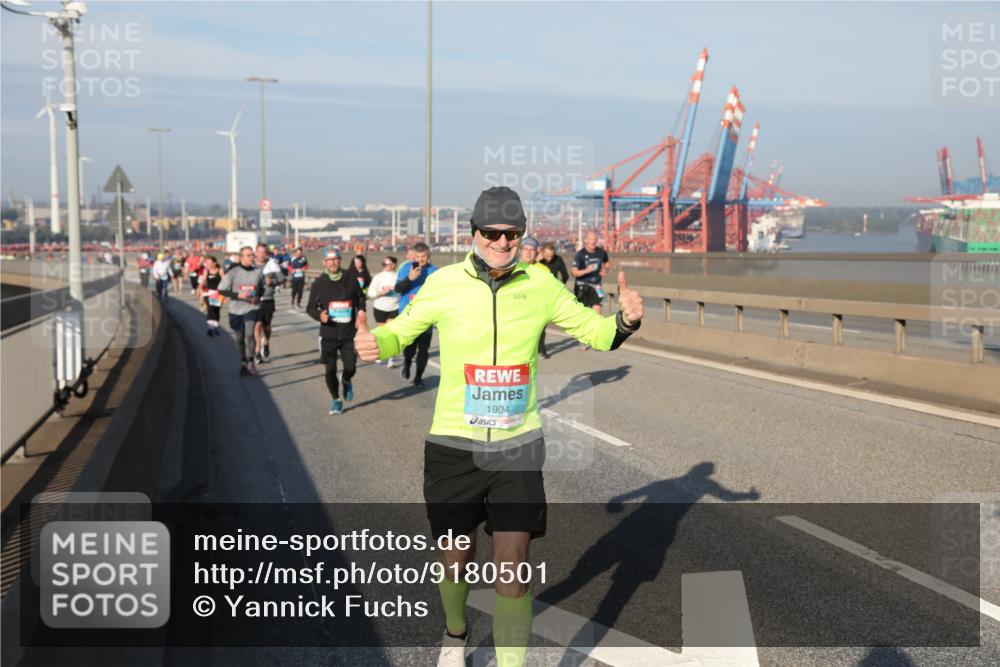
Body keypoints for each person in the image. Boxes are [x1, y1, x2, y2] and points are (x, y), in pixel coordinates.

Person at [355, 186, 644, 667]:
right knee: (455, 559)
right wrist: (376, 343)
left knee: (512, 569)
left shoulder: (541, 285)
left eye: (512, 234)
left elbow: (596, 333)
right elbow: (401, 331)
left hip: (517, 446)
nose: (502, 242)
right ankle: (455, 632)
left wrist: (626, 322)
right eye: (492, 232)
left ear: (522, 236)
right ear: (475, 233)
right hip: (452, 445)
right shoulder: (444, 283)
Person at [306, 248, 367, 415]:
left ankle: (346, 379)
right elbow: (310, 307)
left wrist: (360, 313)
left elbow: (360, 297)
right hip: (329, 334)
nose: (332, 262)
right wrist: (320, 316)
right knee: (330, 369)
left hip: (348, 333)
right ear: (324, 263)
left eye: (335, 259)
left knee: (351, 367)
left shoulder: (351, 277)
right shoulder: (319, 283)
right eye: (329, 260)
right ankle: (336, 399)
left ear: (340, 260)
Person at [394, 242, 436, 387]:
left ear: (428, 256)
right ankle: (406, 361)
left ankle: (418, 377)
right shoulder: (406, 268)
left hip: (427, 316)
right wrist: (409, 278)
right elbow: (397, 289)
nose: (421, 259)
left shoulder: (434, 270)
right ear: (413, 256)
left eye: (424, 256)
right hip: (409, 316)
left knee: (424, 349)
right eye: (418, 256)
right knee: (410, 347)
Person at [218, 246, 264, 376]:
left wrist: (257, 296)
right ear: (241, 257)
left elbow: (262, 289)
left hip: (252, 307)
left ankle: (251, 362)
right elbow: (221, 290)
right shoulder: (233, 272)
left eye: (252, 255)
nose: (251, 258)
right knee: (239, 338)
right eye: (248, 255)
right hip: (236, 309)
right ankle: (243, 362)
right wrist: (238, 295)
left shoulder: (258, 272)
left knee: (250, 333)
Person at [572, 231, 610, 351]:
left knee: (597, 313)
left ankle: (596, 339)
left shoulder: (601, 252)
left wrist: (605, 270)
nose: (593, 241)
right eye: (591, 239)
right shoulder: (580, 255)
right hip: (582, 286)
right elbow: (574, 272)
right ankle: (584, 339)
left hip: (596, 286)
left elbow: (607, 263)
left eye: (595, 239)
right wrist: (586, 271)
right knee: (584, 315)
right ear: (586, 241)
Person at [366, 256, 401, 368]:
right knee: (382, 333)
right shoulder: (378, 277)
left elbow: (403, 290)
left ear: (394, 264)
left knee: (391, 333)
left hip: (394, 307)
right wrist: (381, 292)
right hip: (380, 307)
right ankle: (381, 354)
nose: (385, 265)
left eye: (387, 263)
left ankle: (391, 359)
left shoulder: (398, 277)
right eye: (383, 263)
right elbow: (370, 293)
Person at [253, 243, 285, 363]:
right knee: (256, 327)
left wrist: (272, 281)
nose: (261, 254)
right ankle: (257, 352)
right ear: (256, 252)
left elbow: (282, 278)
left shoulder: (272, 264)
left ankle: (266, 342)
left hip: (268, 299)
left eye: (263, 252)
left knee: (266, 327)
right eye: (259, 252)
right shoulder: (251, 265)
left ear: (266, 253)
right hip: (254, 300)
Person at [197, 256, 224, 336]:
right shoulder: (206, 271)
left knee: (216, 311)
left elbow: (224, 281)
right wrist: (198, 289)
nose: (207, 264)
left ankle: (215, 327)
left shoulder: (220, 270)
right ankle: (210, 328)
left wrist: (224, 291)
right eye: (206, 263)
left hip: (218, 294)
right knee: (210, 309)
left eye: (209, 263)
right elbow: (203, 281)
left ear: (215, 263)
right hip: (208, 293)